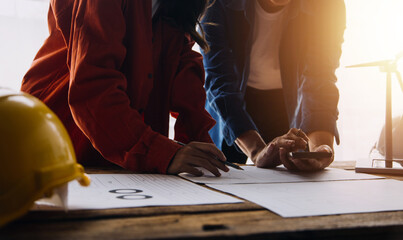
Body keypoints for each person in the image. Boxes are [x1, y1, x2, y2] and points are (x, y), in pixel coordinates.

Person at [21, 0, 228, 177]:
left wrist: (200, 146)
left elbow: (183, 70)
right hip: (61, 132)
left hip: (120, 143)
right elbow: (93, 87)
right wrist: (161, 153)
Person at [201, 0, 346, 171]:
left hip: (282, 102)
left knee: (284, 178)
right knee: (222, 175)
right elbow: (220, 81)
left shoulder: (328, 5)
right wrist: (256, 151)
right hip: (230, 108)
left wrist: (321, 150)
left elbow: (320, 77)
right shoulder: (217, 4)